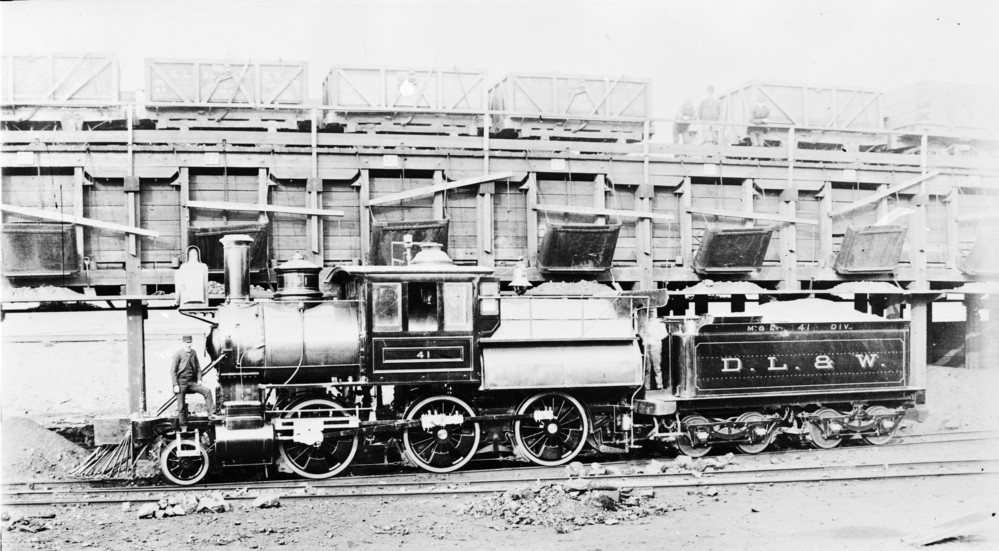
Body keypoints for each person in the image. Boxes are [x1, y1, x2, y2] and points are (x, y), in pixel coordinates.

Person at [171, 335, 215, 426]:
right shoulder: (178, 354)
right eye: (187, 343)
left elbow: (198, 367)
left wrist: (199, 379)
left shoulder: (193, 353)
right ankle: (183, 426)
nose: (189, 345)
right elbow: (173, 371)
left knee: (207, 391)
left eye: (190, 342)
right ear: (183, 343)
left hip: (191, 382)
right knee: (181, 406)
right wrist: (175, 385)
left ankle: (211, 415)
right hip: (181, 383)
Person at [645, 318, 669, 391]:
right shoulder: (645, 321)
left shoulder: (659, 321)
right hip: (646, 344)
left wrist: (657, 338)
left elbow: (665, 334)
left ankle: (659, 385)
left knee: (657, 367)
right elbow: (641, 332)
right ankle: (647, 386)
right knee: (647, 367)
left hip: (656, 345)